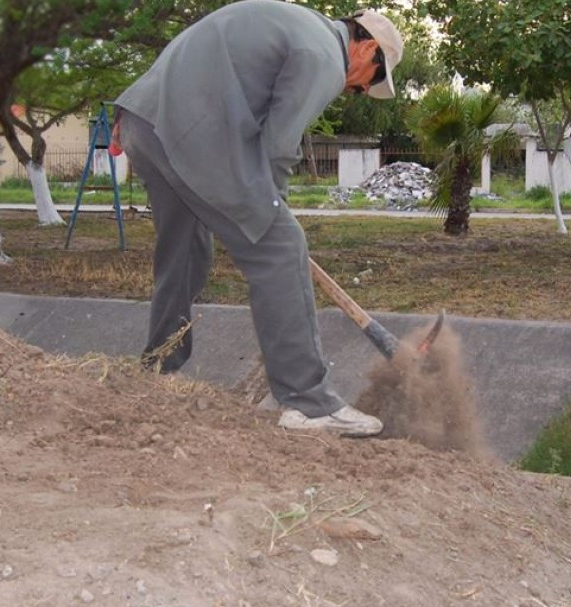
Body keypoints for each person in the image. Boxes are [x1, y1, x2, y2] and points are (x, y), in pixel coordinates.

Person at [113, 1, 403, 437]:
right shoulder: (325, 54)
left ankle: (158, 365)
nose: (357, 90)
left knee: (185, 247)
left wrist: (135, 114)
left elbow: (197, 50)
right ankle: (308, 401)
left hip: (142, 121)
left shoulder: (292, 23)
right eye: (369, 83)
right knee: (281, 248)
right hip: (191, 134)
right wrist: (274, 209)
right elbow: (279, 143)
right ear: (367, 49)